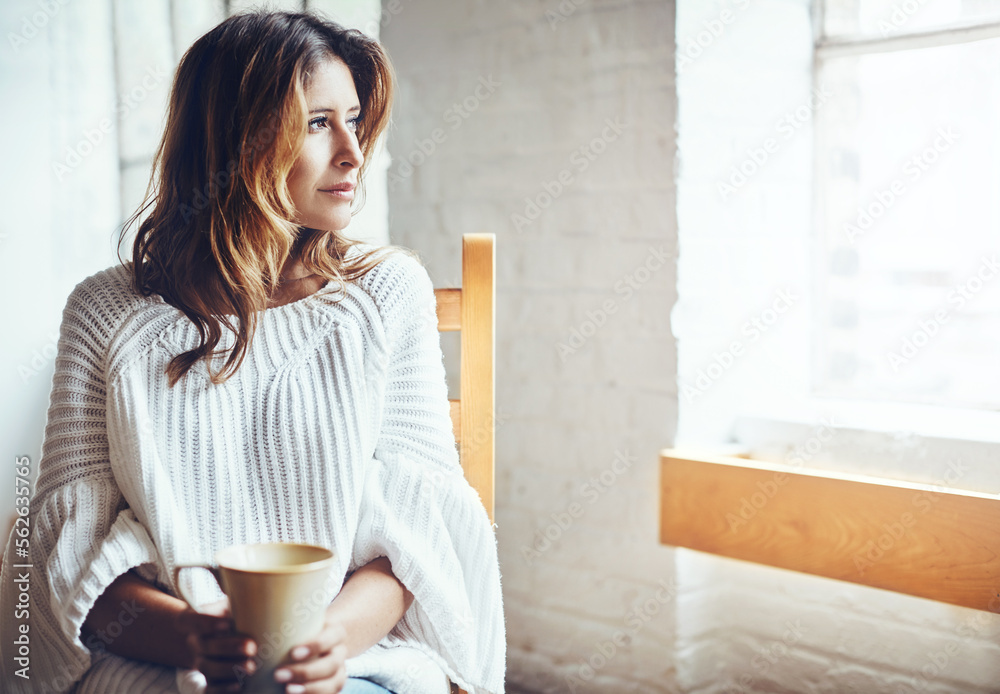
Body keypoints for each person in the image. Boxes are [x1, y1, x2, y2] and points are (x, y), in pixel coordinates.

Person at [0, 10, 505, 694]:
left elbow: (417, 545)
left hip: (356, 661)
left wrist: (326, 645)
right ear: (234, 141)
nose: (354, 153)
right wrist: (194, 640)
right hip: (154, 660)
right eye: (318, 123)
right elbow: (67, 560)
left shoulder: (387, 293)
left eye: (353, 119)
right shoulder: (104, 313)